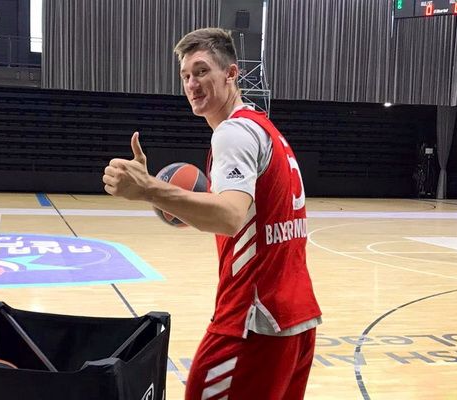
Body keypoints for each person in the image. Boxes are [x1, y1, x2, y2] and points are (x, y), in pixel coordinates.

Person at [102, 27, 322, 400]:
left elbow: (229, 217)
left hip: (252, 319)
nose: (192, 83)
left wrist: (149, 189)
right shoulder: (266, 131)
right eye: (186, 75)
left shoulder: (233, 133)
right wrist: (180, 203)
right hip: (296, 317)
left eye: (202, 71)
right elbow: (246, 218)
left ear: (231, 73)